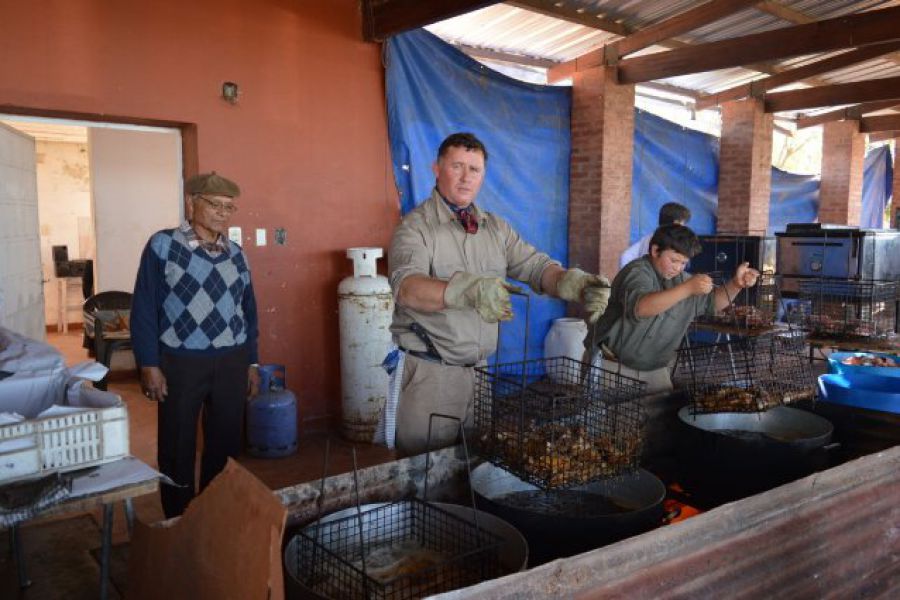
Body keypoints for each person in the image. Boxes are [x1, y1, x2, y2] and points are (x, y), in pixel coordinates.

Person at [386, 132, 612, 456]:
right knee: (424, 477)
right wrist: (468, 289)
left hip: (479, 376)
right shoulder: (415, 228)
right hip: (430, 376)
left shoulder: (495, 228)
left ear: (483, 175)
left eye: (474, 169)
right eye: (457, 166)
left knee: (473, 470)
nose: (466, 178)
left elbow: (535, 266)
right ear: (437, 168)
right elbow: (407, 288)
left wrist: (571, 282)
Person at [130, 172, 260, 518]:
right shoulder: (163, 245)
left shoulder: (237, 254)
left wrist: (252, 363)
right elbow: (143, 307)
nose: (221, 213)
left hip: (232, 361)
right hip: (180, 362)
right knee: (177, 444)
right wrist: (148, 363)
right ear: (192, 203)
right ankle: (178, 518)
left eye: (228, 207)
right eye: (214, 204)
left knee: (226, 443)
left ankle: (214, 513)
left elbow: (248, 312)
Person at [589, 224, 759, 394]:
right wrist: (687, 289)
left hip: (656, 370)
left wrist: (736, 284)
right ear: (655, 251)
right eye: (674, 260)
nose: (678, 268)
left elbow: (713, 303)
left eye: (683, 262)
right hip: (615, 368)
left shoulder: (683, 279)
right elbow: (640, 308)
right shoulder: (637, 271)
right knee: (614, 419)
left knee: (661, 418)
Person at [619, 202, 691, 268]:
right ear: (673, 223)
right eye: (681, 223)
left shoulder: (651, 236)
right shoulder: (657, 239)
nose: (683, 227)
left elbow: (626, 256)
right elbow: (626, 257)